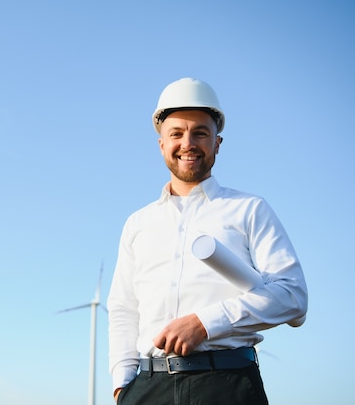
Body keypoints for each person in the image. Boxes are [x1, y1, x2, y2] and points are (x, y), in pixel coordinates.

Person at [107, 77, 308, 404]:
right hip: (146, 387)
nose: (188, 143)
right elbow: (123, 309)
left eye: (200, 132)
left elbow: (292, 295)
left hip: (226, 385)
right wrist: (122, 385)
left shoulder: (250, 210)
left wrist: (204, 323)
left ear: (217, 143)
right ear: (161, 144)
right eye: (176, 133)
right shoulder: (137, 224)